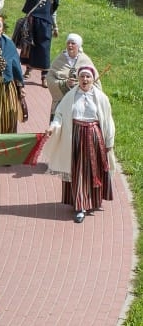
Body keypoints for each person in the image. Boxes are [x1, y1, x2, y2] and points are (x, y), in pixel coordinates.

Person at [43, 66, 115, 224]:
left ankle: (92, 201)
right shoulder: (70, 96)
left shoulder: (101, 98)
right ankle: (80, 206)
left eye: (88, 77)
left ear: (92, 79)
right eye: (82, 77)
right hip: (75, 137)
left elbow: (108, 121)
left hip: (94, 137)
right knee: (79, 171)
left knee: (92, 170)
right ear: (78, 79)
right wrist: (52, 127)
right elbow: (60, 116)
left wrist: (109, 141)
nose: (85, 80)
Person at [14, 0, 59, 88]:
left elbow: (53, 12)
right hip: (32, 23)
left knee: (44, 50)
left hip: (45, 25)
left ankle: (44, 76)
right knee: (30, 47)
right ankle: (28, 69)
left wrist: (55, 26)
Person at [47, 33, 99, 121]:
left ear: (78, 46)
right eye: (68, 43)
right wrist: (64, 83)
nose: (70, 45)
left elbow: (95, 82)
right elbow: (50, 79)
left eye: (73, 43)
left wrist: (82, 84)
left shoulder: (85, 60)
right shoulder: (59, 60)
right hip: (62, 102)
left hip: (81, 103)